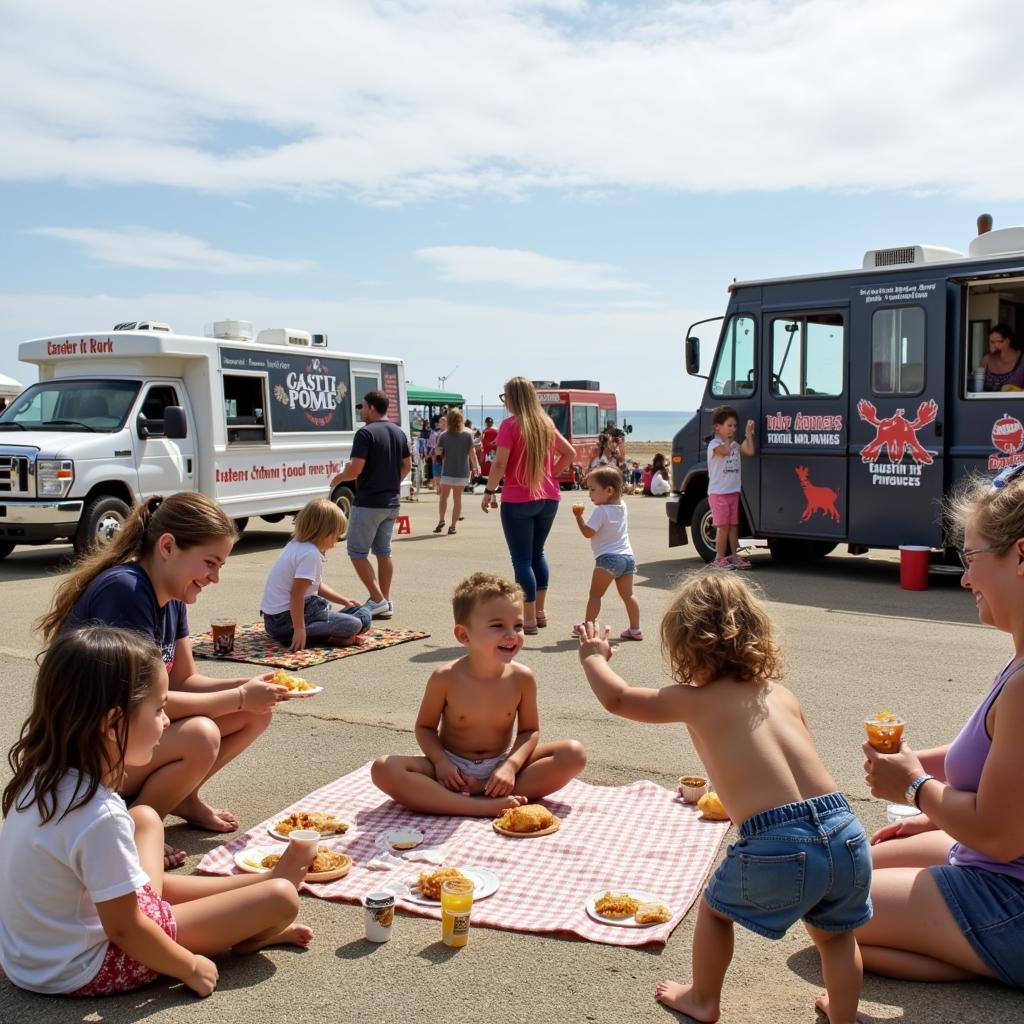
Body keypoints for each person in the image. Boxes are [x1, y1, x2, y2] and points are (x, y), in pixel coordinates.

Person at [577, 573, 871, 1024]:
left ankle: (703, 998)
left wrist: (594, 657)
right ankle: (844, 1014)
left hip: (779, 839)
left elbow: (618, 699)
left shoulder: (695, 700)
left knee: (716, 912)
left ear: (684, 646)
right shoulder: (781, 694)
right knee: (835, 936)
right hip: (843, 828)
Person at [0, 626, 316, 998]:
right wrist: (190, 966)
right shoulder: (96, 816)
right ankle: (254, 919)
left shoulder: (43, 779)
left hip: (33, 956)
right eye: (160, 708)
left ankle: (255, 889)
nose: (167, 722)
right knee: (281, 898)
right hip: (86, 964)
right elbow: (126, 929)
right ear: (113, 725)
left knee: (146, 818)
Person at [38, 492, 288, 870]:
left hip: (125, 739)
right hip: (86, 756)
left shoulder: (171, 595)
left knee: (257, 713)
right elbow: (136, 700)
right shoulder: (126, 591)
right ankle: (135, 827)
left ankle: (183, 795)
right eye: (209, 563)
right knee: (202, 734)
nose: (215, 577)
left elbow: (186, 680)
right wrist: (238, 695)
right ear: (168, 546)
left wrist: (252, 685)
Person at [854, 464, 1024, 989]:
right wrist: (923, 787)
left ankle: (991, 957)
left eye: (971, 558)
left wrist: (916, 789)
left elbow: (998, 834)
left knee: (829, 910)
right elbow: (995, 760)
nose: (966, 577)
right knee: (854, 871)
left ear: (1020, 556)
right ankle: (974, 949)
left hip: (1008, 892)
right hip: (998, 868)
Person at [371, 573, 586, 817]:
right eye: (497, 626)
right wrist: (441, 763)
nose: (512, 634)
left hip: (501, 764)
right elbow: (425, 728)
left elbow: (529, 731)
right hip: (451, 768)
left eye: (517, 625)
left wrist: (510, 767)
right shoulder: (445, 677)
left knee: (573, 753)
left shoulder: (523, 678)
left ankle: (483, 791)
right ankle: (479, 806)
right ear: (464, 636)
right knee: (383, 769)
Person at [481, 377, 575, 634]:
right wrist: (550, 474)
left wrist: (489, 491)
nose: (504, 401)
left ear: (513, 398)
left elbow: (499, 464)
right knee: (537, 554)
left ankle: (529, 619)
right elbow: (570, 453)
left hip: (518, 497)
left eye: (505, 396)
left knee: (521, 560)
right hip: (548, 498)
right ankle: (540, 613)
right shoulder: (545, 423)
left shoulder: (510, 425)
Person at [330, 389, 411, 619]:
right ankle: (385, 600)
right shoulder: (398, 432)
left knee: (356, 551)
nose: (361, 411)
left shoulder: (365, 434)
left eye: (362, 407)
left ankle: (377, 598)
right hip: (391, 501)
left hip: (368, 502)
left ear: (372, 408)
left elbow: (356, 469)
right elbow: (407, 464)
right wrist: (394, 481)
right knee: (384, 552)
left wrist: (338, 478)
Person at [260, 498, 371, 652]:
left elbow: (314, 585)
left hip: (273, 621)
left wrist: (344, 601)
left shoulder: (295, 545)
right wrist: (299, 629)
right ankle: (305, 636)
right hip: (285, 623)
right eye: (336, 535)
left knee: (361, 612)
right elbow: (296, 594)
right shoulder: (310, 554)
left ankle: (326, 632)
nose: (336, 542)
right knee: (358, 623)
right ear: (324, 533)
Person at [572, 466, 642, 641]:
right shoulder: (622, 506)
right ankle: (635, 629)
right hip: (627, 558)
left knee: (595, 595)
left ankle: (588, 628)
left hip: (608, 559)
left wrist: (578, 517)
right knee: (628, 595)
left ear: (609, 490)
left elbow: (588, 533)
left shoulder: (601, 511)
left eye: (593, 489)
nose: (590, 494)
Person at [707, 406, 756, 570]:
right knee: (723, 527)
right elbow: (725, 451)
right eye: (729, 426)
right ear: (717, 426)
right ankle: (719, 557)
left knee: (734, 525)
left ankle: (735, 556)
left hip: (733, 492)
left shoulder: (734, 444)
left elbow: (750, 450)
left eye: (735, 426)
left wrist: (748, 434)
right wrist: (728, 439)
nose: (733, 429)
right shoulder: (714, 445)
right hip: (718, 493)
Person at [433, 409, 480, 535]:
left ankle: (442, 520)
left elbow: (438, 452)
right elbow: (472, 454)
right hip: (462, 472)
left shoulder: (443, 435)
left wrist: (439, 453)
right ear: (461, 420)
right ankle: (452, 526)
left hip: (447, 470)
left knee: (443, 498)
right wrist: (476, 467)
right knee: (457, 499)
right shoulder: (467, 435)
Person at [980, 323, 1024, 391]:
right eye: (992, 342)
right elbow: (978, 386)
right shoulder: (987, 359)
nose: (996, 345)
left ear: (1008, 340)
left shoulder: (1021, 360)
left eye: (1000, 341)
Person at [481, 416, 499, 507]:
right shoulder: (497, 431)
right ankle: (493, 495)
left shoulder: (484, 431)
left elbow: (481, 441)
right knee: (494, 474)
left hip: (488, 455)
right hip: (496, 454)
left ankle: (492, 495)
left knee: (490, 475)